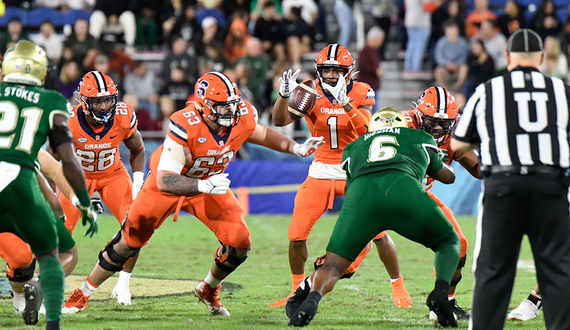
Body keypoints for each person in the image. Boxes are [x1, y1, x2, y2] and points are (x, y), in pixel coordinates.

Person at [60, 71, 325, 316]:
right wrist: (202, 185)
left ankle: (208, 288)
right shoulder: (185, 124)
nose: (230, 110)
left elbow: (262, 133)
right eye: (223, 106)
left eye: (233, 103)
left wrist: (295, 148)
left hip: (208, 185)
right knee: (129, 241)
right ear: (204, 106)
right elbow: (165, 180)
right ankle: (82, 293)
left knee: (240, 241)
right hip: (168, 186)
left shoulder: (240, 114)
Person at [287, 107, 460, 327]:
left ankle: (312, 299)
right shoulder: (418, 136)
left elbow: (350, 183)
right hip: (402, 188)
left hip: (361, 196)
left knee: (332, 263)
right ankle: (440, 294)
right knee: (448, 242)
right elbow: (447, 176)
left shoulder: (353, 147)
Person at [270, 44, 411, 308]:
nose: (332, 75)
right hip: (321, 169)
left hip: (355, 170)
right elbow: (279, 121)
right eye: (327, 70)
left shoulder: (361, 91)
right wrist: (283, 96)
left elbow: (365, 130)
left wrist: (344, 101)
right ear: (319, 70)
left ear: (349, 71)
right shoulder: (310, 90)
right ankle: (295, 290)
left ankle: (398, 284)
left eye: (337, 70)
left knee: (379, 232)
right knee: (296, 234)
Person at [450, 28, 570, 330]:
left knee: (492, 273)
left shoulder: (489, 90)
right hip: (550, 187)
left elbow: (458, 143)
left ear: (506, 57)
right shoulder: (561, 90)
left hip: (502, 187)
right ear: (542, 58)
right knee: (557, 273)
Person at [0, 40, 97, 330]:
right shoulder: (51, 101)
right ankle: (50, 318)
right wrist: (84, 200)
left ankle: (22, 294)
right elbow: (66, 161)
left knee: (20, 257)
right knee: (61, 254)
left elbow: (51, 170)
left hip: (21, 174)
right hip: (16, 184)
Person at [53, 70, 145, 307]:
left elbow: (138, 149)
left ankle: (123, 284)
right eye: (98, 101)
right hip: (76, 178)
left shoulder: (123, 116)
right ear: (83, 102)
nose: (105, 106)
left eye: (108, 100)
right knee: (58, 234)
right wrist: (54, 193)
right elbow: (50, 161)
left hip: (112, 175)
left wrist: (137, 182)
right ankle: (48, 286)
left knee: (135, 226)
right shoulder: (68, 119)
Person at [404, 86, 480, 321]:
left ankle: (445, 302)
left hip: (420, 196)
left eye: (443, 123)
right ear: (418, 115)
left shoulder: (454, 139)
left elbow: (479, 168)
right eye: (432, 121)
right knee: (350, 258)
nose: (437, 128)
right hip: (386, 193)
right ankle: (307, 289)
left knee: (459, 246)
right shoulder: (402, 125)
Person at [0, 150, 100, 318]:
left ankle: (22, 301)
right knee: (63, 252)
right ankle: (32, 292)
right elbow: (54, 177)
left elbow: (54, 173)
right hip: (19, 206)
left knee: (22, 259)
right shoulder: (24, 142)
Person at [358, 26, 384, 113]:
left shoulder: (372, 51)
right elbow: (365, 67)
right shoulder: (365, 51)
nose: (380, 43)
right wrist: (376, 71)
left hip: (372, 87)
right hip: (367, 88)